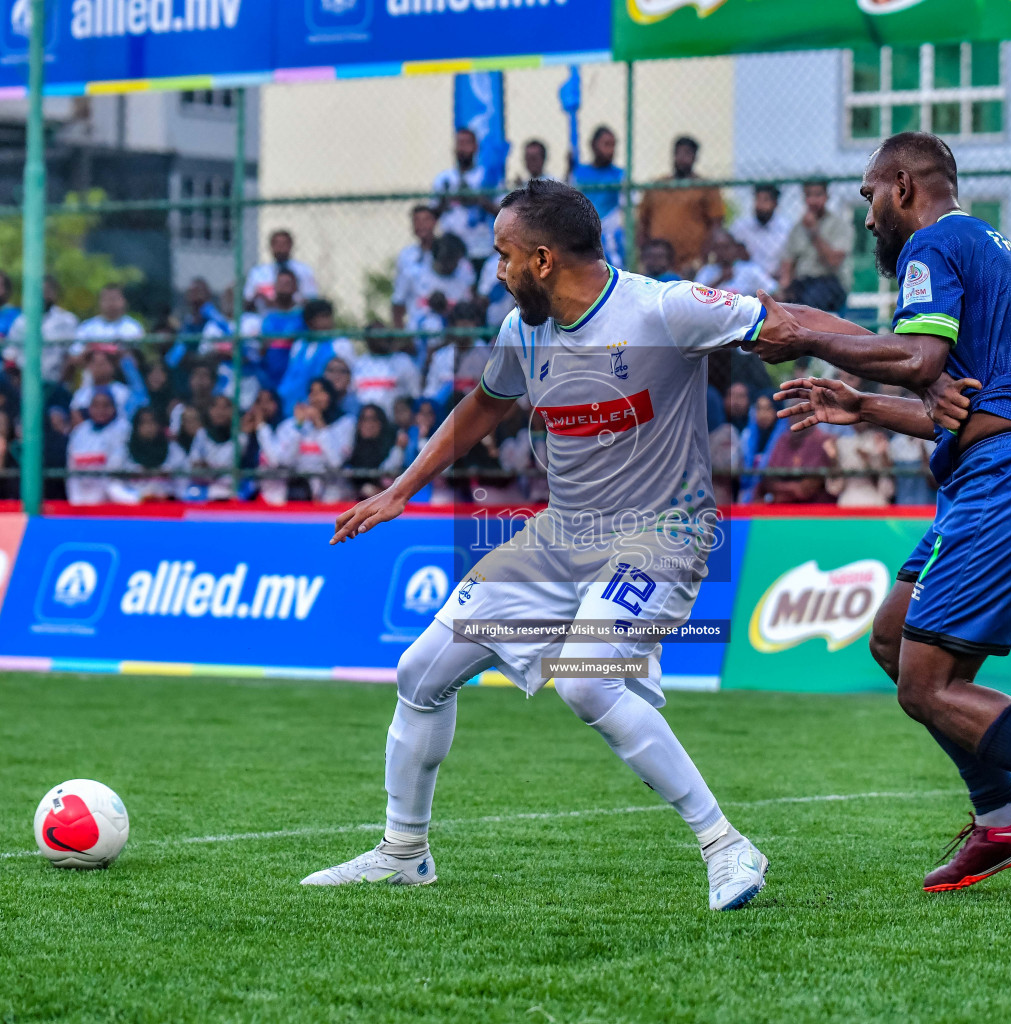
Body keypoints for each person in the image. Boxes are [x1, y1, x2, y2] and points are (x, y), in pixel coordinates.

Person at [302, 178, 772, 911]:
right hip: (561, 536)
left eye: (504, 255)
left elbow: (791, 323)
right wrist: (402, 487)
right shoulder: (525, 328)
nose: (496, 269)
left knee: (586, 679)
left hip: (661, 535)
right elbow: (483, 404)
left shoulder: (660, 308)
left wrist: (909, 367)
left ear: (544, 259)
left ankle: (725, 845)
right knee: (421, 671)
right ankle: (402, 853)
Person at [755, 131, 1011, 905]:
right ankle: (1002, 819)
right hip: (1007, 468)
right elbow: (953, 404)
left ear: (902, 186)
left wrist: (805, 338)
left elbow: (919, 362)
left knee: (927, 683)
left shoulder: (932, 245)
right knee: (891, 635)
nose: (868, 216)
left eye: (871, 193)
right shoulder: (987, 248)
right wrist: (860, 401)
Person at [636, 136, 724, 276]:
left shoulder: (706, 187)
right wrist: (643, 256)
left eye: (688, 153)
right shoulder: (657, 186)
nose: (682, 158)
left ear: (695, 158)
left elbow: (716, 224)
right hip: (659, 263)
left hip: (691, 263)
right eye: (679, 153)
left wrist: (702, 260)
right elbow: (642, 222)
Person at [776, 180, 853, 313]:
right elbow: (788, 263)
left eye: (818, 195)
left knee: (809, 303)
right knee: (780, 303)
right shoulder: (798, 228)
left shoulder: (839, 225)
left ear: (826, 196)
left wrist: (814, 232)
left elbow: (833, 261)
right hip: (802, 283)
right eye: (809, 195)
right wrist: (782, 290)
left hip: (829, 282)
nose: (813, 200)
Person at [434, 127, 498, 266]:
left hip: (481, 248)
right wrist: (446, 200)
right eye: (459, 143)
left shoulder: (487, 178)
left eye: (466, 143)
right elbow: (433, 213)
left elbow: (502, 211)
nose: (462, 148)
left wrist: (479, 201)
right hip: (452, 251)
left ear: (476, 147)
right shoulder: (444, 179)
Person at [567, 125, 626, 268]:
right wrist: (568, 169)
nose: (611, 150)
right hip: (583, 230)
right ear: (593, 145)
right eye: (606, 145)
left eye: (613, 145)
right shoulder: (579, 173)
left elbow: (626, 207)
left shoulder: (620, 175)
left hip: (610, 233)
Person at [4, 275, 80, 382]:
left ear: (55, 294)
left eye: (48, 291)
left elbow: (73, 354)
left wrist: (61, 383)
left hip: (57, 382)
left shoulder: (67, 320)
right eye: (40, 291)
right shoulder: (21, 321)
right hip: (25, 382)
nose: (44, 295)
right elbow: (10, 354)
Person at [66, 389, 134, 505]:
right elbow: (71, 469)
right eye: (96, 405)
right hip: (80, 499)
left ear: (114, 407)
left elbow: (115, 468)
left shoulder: (124, 429)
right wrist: (75, 500)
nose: (101, 410)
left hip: (114, 500)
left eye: (106, 405)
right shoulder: (80, 431)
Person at [243, 229, 319, 312]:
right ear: (271, 247)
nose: (280, 248)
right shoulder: (257, 272)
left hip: (294, 316)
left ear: (291, 245)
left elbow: (311, 299)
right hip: (263, 316)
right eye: (277, 244)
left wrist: (287, 302)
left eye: (284, 244)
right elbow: (247, 299)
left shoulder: (304, 271)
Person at [392, 205, 440, 328]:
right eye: (416, 221)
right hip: (416, 322)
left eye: (425, 220)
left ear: (435, 222)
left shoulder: (447, 252)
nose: (421, 225)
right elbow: (399, 297)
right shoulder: (406, 256)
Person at [729, 184, 790, 279]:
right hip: (746, 279)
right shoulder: (741, 227)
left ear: (775, 203)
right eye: (757, 199)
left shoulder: (785, 229)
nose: (760, 205)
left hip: (775, 279)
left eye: (765, 200)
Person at [696, 229, 778, 297]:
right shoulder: (706, 271)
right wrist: (720, 280)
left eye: (726, 247)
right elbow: (697, 297)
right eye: (718, 248)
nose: (722, 252)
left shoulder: (751, 270)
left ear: (734, 248)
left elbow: (774, 292)